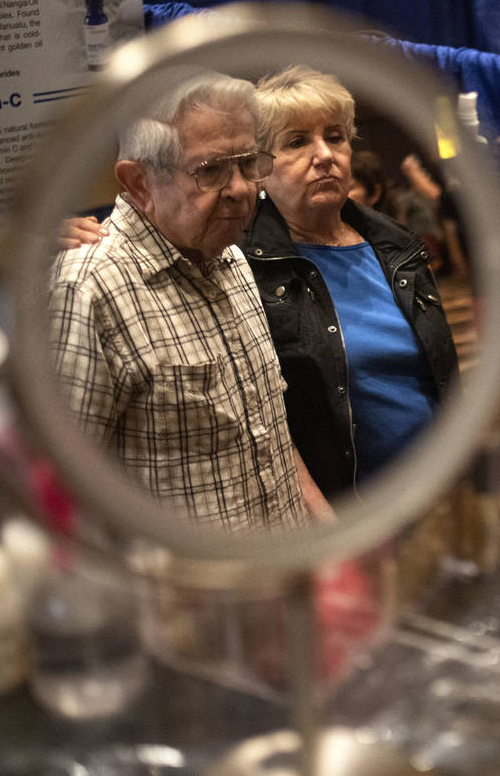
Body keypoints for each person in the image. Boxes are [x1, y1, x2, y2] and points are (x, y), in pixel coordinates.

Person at [49, 70, 332, 530]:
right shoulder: (87, 288)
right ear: (139, 183)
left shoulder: (232, 262)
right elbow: (59, 499)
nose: (241, 189)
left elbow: (266, 437)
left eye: (247, 163)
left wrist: (330, 537)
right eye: (212, 170)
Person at [244, 65, 459, 501]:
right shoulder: (246, 269)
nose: (325, 154)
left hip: (444, 491)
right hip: (351, 511)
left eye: (335, 136)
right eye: (297, 142)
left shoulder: (396, 246)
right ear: (259, 170)